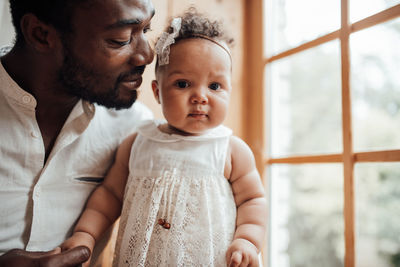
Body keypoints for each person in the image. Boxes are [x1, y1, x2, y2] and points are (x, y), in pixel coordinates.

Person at [60, 8, 268, 267]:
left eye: (215, 86)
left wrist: (247, 240)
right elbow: (110, 195)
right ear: (158, 92)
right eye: (183, 84)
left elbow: (252, 199)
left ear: (229, 90)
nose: (200, 97)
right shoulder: (137, 143)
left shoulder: (231, 151)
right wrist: (85, 234)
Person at [0, 0, 155, 266]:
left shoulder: (135, 131)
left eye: (146, 30)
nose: (146, 55)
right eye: (120, 39)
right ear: (41, 35)